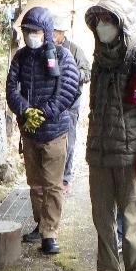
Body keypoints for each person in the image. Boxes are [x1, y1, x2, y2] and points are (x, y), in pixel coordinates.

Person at [84, 0, 136, 271]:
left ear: (119, 25)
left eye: (108, 20)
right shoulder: (98, 62)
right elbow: (93, 109)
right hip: (100, 154)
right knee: (102, 217)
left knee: (131, 218)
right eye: (99, 21)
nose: (103, 26)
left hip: (130, 156)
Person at [6, 6, 81, 255]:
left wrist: (45, 113)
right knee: (35, 184)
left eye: (35, 31)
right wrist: (25, 111)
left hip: (55, 132)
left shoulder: (62, 56)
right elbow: (11, 89)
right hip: (29, 132)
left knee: (53, 185)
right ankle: (41, 224)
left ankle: (50, 233)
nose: (30, 35)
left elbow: (69, 89)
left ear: (46, 32)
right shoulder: (20, 57)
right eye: (27, 31)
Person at [53, 21, 92, 192]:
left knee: (68, 141)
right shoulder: (47, 49)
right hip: (53, 103)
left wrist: (72, 74)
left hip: (71, 103)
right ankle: (54, 177)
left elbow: (87, 72)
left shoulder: (75, 50)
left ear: (62, 32)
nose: (53, 35)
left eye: (56, 31)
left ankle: (66, 178)